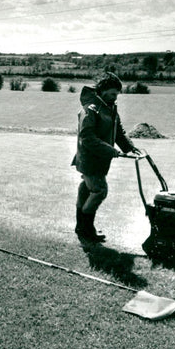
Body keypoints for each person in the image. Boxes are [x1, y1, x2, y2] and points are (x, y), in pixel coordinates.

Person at [71, 72, 140, 243]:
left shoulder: (110, 108)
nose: (115, 97)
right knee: (99, 190)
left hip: (99, 159)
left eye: (116, 94)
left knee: (87, 190)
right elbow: (87, 138)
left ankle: (81, 228)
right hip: (89, 159)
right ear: (101, 91)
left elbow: (119, 133)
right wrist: (111, 151)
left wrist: (131, 148)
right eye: (111, 94)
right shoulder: (90, 109)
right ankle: (87, 230)